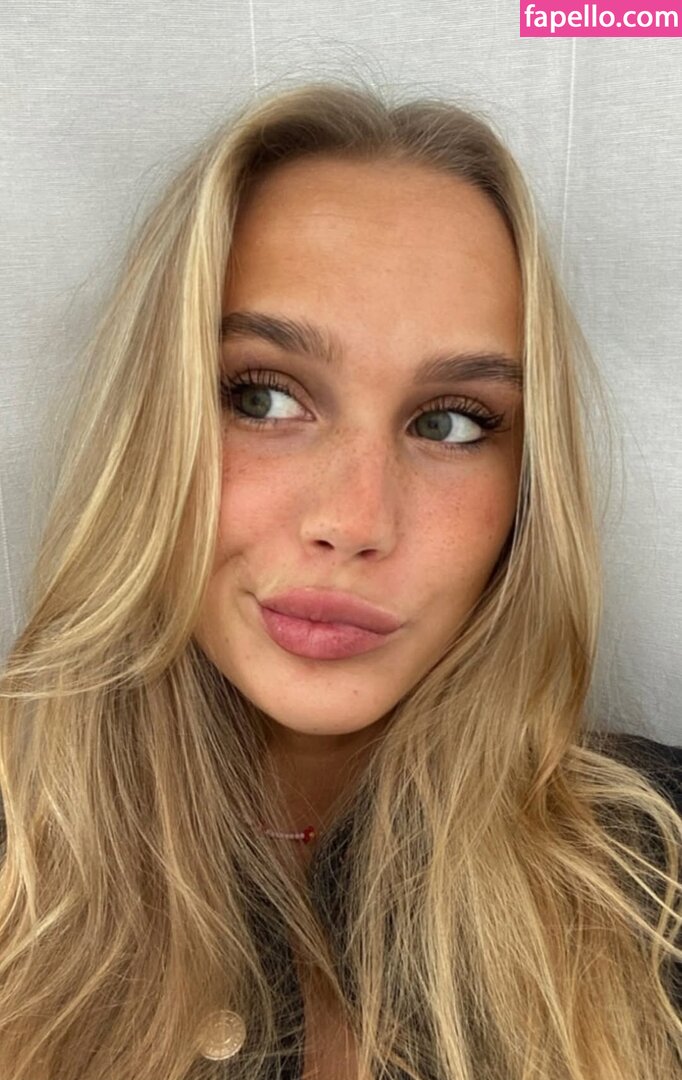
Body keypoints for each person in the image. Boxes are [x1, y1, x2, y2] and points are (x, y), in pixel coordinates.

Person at [0, 77, 679, 1080]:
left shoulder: (658, 878)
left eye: (450, 422)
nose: (354, 522)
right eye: (264, 399)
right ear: (154, 421)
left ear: (529, 485)